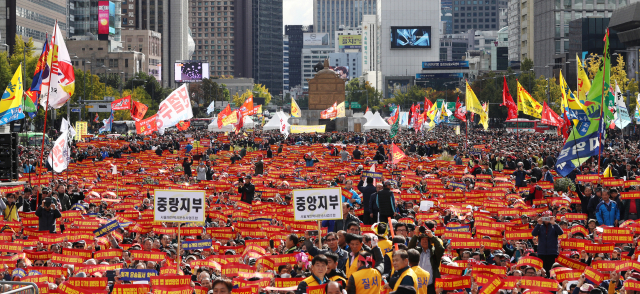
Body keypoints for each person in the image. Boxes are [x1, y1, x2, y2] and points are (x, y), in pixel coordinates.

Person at [408, 222, 444, 294]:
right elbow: (409, 249)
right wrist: (416, 234)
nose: (424, 241)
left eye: (427, 239)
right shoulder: (417, 251)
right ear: (420, 241)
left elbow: (441, 249)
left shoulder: (433, 253)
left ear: (430, 241)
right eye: (422, 239)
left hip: (431, 287)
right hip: (417, 286)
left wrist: (432, 237)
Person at [531, 210, 563, 275]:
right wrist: (538, 224)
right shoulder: (540, 226)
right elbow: (533, 233)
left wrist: (554, 223)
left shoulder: (554, 226)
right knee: (543, 271)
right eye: (545, 216)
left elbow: (561, 232)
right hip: (541, 253)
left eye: (548, 216)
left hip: (552, 253)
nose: (547, 218)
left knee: (551, 271)